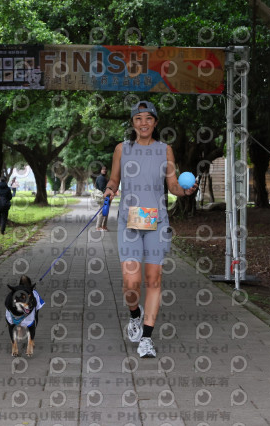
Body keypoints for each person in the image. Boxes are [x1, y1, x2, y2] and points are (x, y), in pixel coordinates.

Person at [102, 101, 198, 358]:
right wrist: (110, 189)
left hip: (157, 221)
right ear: (132, 123)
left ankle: (146, 338)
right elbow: (114, 179)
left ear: (155, 122)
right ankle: (135, 314)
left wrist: (185, 192)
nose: (143, 123)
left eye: (148, 118)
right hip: (130, 220)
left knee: (153, 280)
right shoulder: (122, 149)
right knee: (131, 282)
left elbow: (173, 185)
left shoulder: (165, 150)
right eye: (138, 118)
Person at [95, 165, 109, 231]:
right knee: (102, 212)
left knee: (105, 212)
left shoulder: (103, 177)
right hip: (103, 197)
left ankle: (104, 226)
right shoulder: (101, 178)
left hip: (105, 196)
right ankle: (98, 227)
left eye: (105, 169)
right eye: (103, 169)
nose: (104, 170)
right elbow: (102, 188)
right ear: (100, 170)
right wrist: (106, 195)